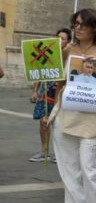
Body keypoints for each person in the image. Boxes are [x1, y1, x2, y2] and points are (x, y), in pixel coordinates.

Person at [45, 9, 96, 203]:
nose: (78, 28)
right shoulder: (67, 50)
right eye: (76, 24)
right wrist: (56, 103)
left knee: (91, 167)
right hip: (66, 113)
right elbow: (58, 80)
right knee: (69, 167)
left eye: (84, 24)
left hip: (92, 116)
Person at [30, 28, 71, 162]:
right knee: (43, 122)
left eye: (63, 39)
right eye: (57, 37)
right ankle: (44, 151)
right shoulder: (47, 54)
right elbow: (39, 72)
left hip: (60, 92)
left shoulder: (70, 55)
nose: (59, 41)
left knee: (59, 123)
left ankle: (60, 153)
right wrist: (35, 91)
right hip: (46, 90)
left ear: (68, 41)